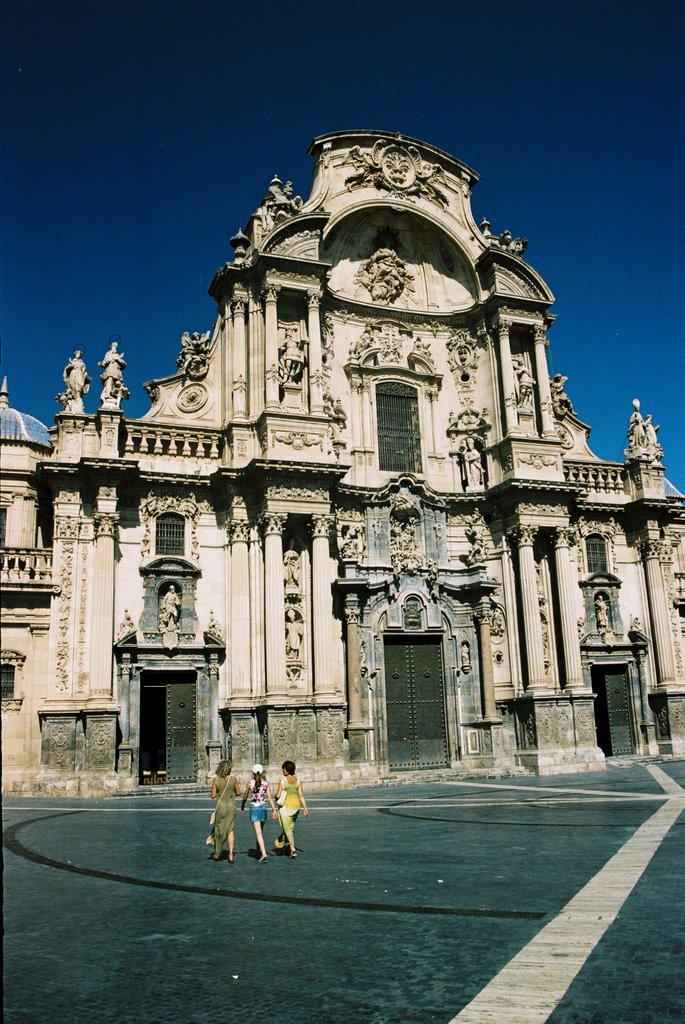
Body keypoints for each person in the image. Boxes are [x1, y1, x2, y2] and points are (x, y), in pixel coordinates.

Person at [241, 764, 277, 862]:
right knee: (260, 832)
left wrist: (243, 804)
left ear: (253, 773)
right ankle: (258, 851)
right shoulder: (266, 783)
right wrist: (274, 810)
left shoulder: (250, 783)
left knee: (258, 833)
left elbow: (245, 796)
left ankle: (263, 853)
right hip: (263, 808)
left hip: (255, 809)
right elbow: (269, 797)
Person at [274, 760, 309, 859]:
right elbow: (301, 795)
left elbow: (278, 795)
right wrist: (305, 808)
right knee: (290, 826)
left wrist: (276, 798)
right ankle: (289, 847)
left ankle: (292, 848)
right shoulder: (298, 781)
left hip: (286, 806)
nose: (282, 771)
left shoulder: (282, 780)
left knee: (287, 828)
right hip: (296, 806)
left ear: (287, 770)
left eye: (283, 769)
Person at [209, 761, 241, 863]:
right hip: (231, 806)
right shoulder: (233, 779)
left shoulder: (216, 780)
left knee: (218, 829)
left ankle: (217, 852)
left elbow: (213, 795)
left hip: (221, 807)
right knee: (230, 829)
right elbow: (239, 792)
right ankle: (231, 854)